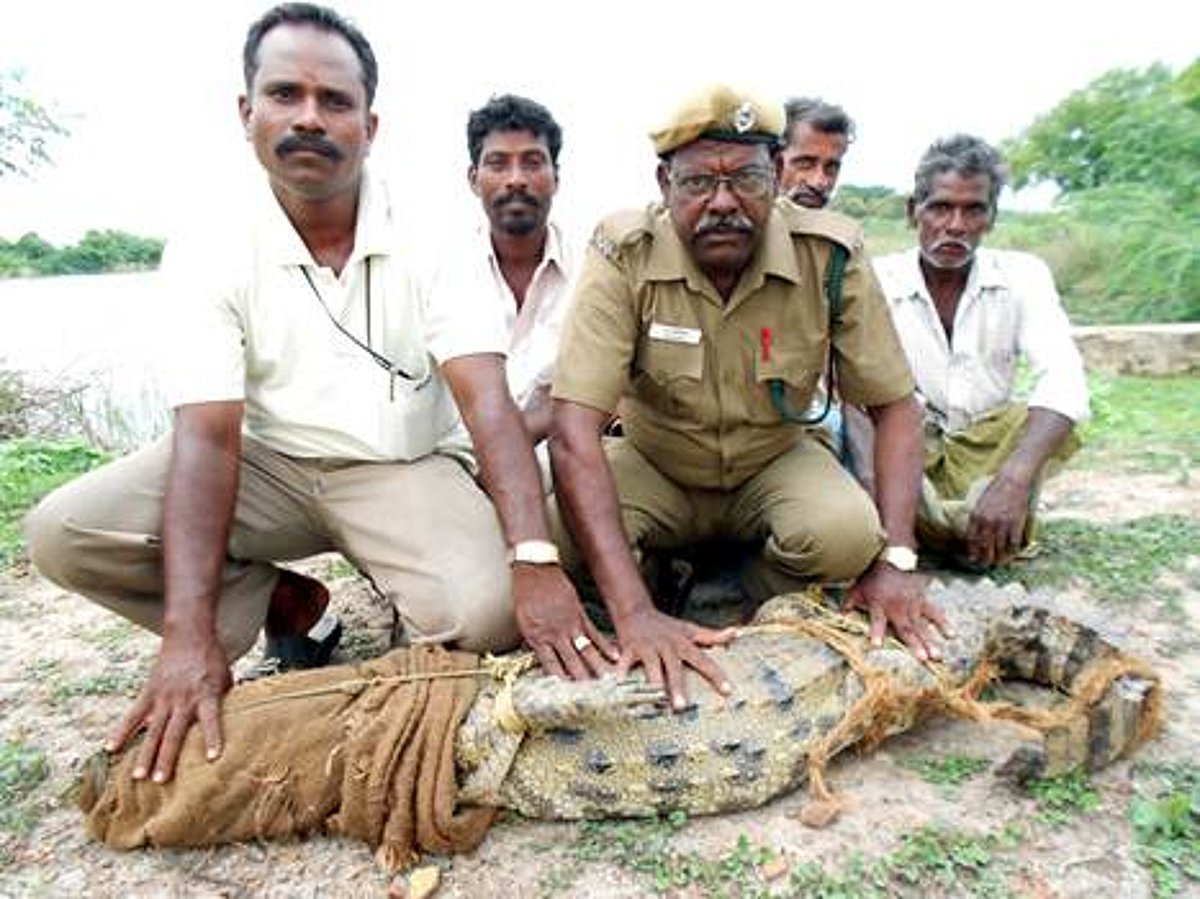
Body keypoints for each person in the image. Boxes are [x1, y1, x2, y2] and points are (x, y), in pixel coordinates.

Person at [23, 2, 598, 787]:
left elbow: (488, 407)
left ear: (370, 124)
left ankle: (382, 577)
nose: (309, 119)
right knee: (65, 530)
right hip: (266, 462)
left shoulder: (433, 234)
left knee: (492, 614)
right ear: (246, 111)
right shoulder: (208, 244)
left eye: (334, 102)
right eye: (285, 95)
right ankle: (284, 601)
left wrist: (535, 560)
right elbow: (207, 438)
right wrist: (186, 632)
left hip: (397, 465)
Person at [549, 84, 948, 711]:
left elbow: (895, 406)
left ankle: (745, 590)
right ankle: (651, 590)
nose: (724, 203)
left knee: (846, 535)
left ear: (778, 175)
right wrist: (630, 614)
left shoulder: (830, 255)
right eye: (698, 183)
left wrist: (897, 558)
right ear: (663, 183)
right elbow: (574, 427)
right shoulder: (624, 251)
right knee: (564, 528)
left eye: (747, 179)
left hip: (773, 459)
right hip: (659, 462)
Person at [868, 134, 1089, 568]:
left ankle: (970, 518)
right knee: (868, 426)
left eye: (973, 210)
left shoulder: (1023, 275)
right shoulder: (877, 281)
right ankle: (922, 524)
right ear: (914, 212)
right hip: (909, 448)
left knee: (1034, 420)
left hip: (987, 448)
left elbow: (1065, 380)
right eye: (940, 208)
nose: (956, 226)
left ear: (990, 218)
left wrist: (1014, 479)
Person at [426, 94, 574, 457]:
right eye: (498, 164)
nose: (516, 179)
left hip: (560, 468)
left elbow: (607, 393)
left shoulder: (594, 276)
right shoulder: (435, 273)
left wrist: (510, 443)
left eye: (533, 162)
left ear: (556, 177)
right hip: (456, 469)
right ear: (474, 179)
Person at [778, 97, 855, 210]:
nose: (819, 182)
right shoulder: (745, 224)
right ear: (774, 163)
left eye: (831, 169)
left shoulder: (840, 226)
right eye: (805, 164)